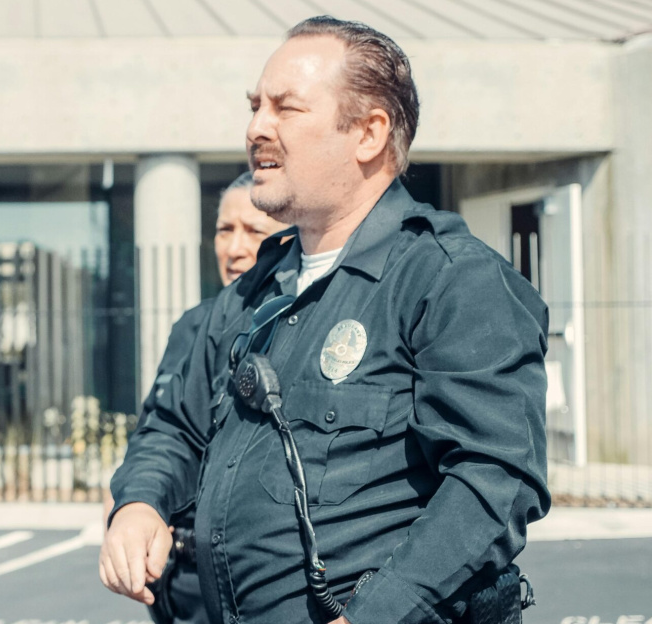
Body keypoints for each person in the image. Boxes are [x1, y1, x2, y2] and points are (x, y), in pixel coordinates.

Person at [102, 15, 549, 624]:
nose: (256, 128)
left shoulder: (450, 281)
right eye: (255, 106)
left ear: (368, 133)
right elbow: (176, 427)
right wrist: (140, 503)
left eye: (286, 108)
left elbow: (494, 482)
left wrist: (375, 615)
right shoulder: (250, 294)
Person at [103, 173, 287, 624]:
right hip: (178, 580)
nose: (235, 247)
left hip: (250, 578)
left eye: (254, 231)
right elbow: (165, 430)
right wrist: (135, 500)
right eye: (225, 230)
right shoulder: (195, 325)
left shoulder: (293, 321)